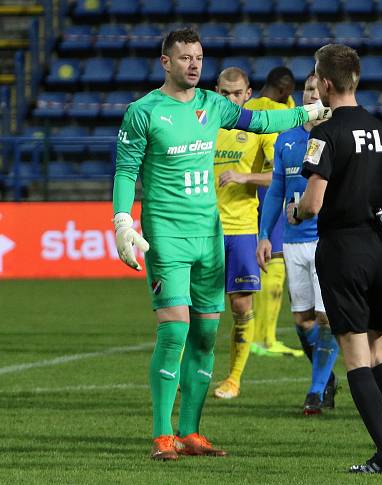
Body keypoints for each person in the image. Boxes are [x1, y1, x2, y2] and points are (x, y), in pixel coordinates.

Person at [112, 28, 330, 461]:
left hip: (210, 237)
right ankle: (162, 435)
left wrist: (314, 110)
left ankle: (191, 432)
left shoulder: (214, 106)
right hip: (167, 238)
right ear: (165, 63)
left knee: (207, 334)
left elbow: (264, 121)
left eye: (198, 57)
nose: (194, 64)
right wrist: (122, 221)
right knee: (174, 331)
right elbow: (125, 170)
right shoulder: (144, 112)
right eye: (185, 57)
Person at [290, 44, 382, 474]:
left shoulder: (324, 133)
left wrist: (296, 210)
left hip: (341, 249)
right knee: (380, 353)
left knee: (356, 356)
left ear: (325, 83)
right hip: (379, 248)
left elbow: (314, 201)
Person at [256, 71, 339, 415]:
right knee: (303, 320)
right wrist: (264, 235)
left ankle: (316, 391)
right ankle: (327, 376)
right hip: (292, 242)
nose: (310, 94)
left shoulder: (335, 137)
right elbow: (276, 190)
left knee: (325, 319)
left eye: (316, 89)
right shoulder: (286, 139)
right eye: (306, 89)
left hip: (326, 239)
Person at [210, 67, 275, 400]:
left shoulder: (258, 130)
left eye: (237, 94)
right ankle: (187, 374)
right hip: (202, 228)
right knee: (195, 310)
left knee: (240, 305)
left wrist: (243, 177)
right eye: (225, 93)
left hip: (241, 229)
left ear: (248, 94)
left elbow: (278, 176)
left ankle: (234, 378)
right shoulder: (203, 124)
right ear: (216, 91)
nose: (231, 99)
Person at [243, 66, 302, 358]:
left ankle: (262, 337)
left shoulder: (281, 106)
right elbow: (276, 163)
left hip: (271, 191)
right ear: (282, 91)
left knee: (275, 268)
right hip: (266, 191)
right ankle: (263, 340)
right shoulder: (260, 112)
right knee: (273, 267)